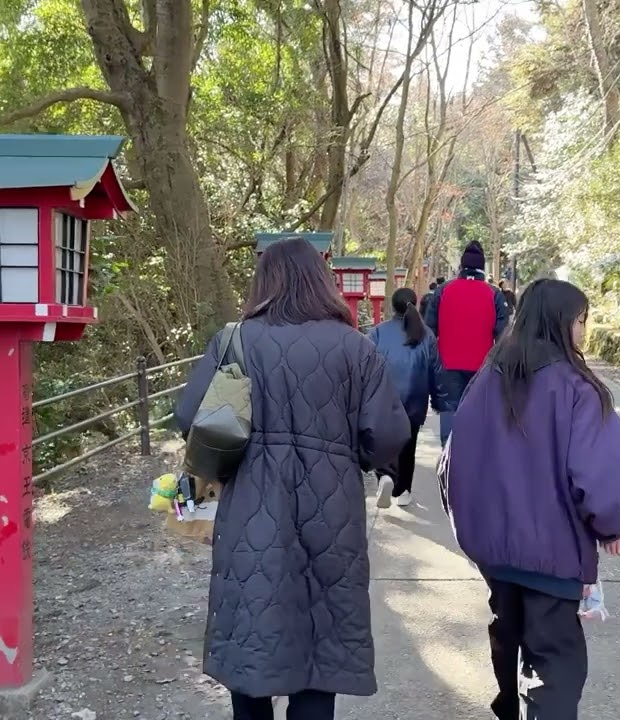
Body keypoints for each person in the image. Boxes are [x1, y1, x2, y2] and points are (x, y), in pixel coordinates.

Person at [175, 238, 411, 720]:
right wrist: (352, 456)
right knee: (321, 641)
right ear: (321, 282)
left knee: (253, 632)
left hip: (250, 506)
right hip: (334, 510)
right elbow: (387, 435)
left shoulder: (234, 341)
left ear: (263, 283)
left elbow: (190, 417)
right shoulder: (355, 348)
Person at [444, 279, 620, 720]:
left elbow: (453, 463)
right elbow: (599, 471)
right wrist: (613, 525)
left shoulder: (487, 377)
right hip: (551, 555)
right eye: (583, 320)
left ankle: (508, 709)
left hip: (494, 552)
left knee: (507, 636)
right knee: (553, 663)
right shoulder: (577, 389)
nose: (585, 331)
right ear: (565, 322)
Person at [368, 287, 446, 509]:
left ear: (392, 307)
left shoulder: (378, 332)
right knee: (408, 445)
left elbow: (364, 364)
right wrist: (439, 401)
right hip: (415, 400)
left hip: (384, 398)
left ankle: (385, 475)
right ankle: (403, 491)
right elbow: (435, 370)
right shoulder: (426, 335)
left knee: (384, 441)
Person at [424, 242, 509, 443]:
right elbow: (503, 335)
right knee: (479, 415)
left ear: (461, 266)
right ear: (483, 267)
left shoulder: (443, 291)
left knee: (450, 411)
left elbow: (429, 330)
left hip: (447, 365)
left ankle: (449, 458)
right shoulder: (494, 294)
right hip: (483, 366)